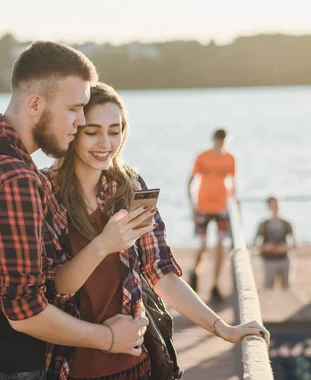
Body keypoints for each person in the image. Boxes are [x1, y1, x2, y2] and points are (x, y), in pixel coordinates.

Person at [0, 41, 148, 380]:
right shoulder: (15, 179)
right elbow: (25, 312)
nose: (80, 122)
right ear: (35, 104)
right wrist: (108, 339)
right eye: (74, 109)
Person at [42, 83, 269, 380]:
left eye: (114, 130)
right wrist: (103, 244)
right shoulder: (45, 192)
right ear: (74, 133)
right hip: (68, 367)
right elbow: (56, 286)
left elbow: (159, 272)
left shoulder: (129, 187)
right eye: (92, 131)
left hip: (136, 363)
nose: (105, 143)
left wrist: (221, 328)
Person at [187, 128, 236, 301]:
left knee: (221, 246)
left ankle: (215, 284)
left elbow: (233, 183)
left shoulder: (230, 158)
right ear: (213, 139)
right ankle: (195, 273)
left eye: (224, 141)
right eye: (219, 140)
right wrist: (192, 205)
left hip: (222, 208)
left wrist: (235, 208)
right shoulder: (203, 157)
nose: (221, 144)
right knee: (203, 246)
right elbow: (191, 180)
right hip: (203, 207)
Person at [253, 197, 296, 289]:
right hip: (268, 260)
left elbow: (295, 244)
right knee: (268, 288)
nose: (275, 207)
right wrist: (266, 247)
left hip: (284, 259)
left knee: (286, 288)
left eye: (276, 205)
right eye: (272, 205)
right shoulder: (263, 225)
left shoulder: (287, 224)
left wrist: (285, 248)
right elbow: (255, 244)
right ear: (268, 207)